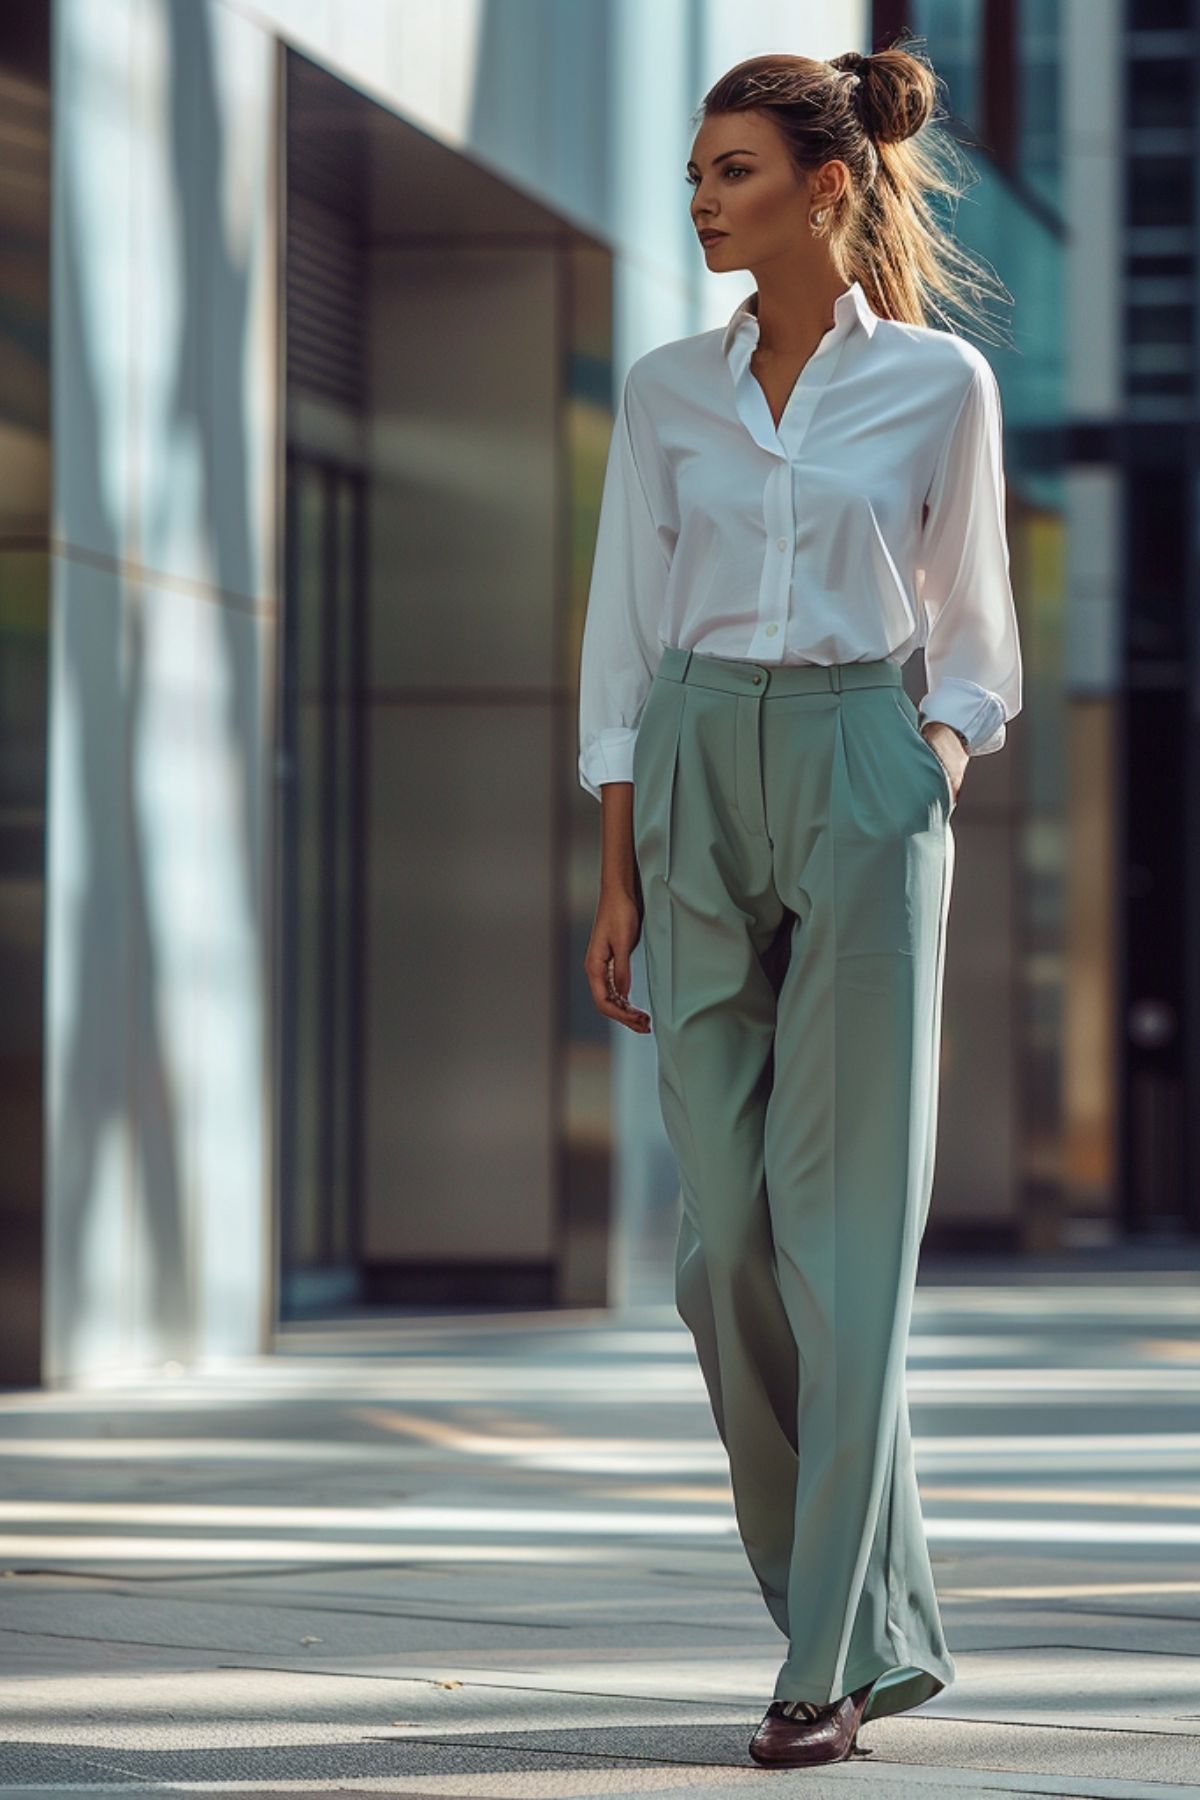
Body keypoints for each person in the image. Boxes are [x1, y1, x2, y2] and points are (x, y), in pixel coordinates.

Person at [577, 39, 1022, 1773]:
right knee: (720, 1258)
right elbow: (624, 623)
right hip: (690, 771)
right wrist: (614, 864)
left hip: (859, 766)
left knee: (847, 1250)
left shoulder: (940, 388)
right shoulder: (664, 391)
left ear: (825, 187)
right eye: (696, 174)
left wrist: (920, 764)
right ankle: (861, 1611)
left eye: (733, 171)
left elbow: (977, 638)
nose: (702, 198)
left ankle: (824, 1660)